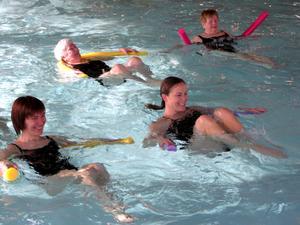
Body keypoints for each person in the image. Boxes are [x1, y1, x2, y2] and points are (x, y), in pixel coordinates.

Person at [0, 96, 134, 223]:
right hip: (50, 183)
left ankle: (116, 203)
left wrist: (115, 141)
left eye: (43, 115)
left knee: (98, 166)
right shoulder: (15, 148)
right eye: (35, 117)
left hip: (71, 175)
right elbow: (2, 158)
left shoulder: (51, 139)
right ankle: (115, 212)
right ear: (21, 120)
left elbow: (84, 142)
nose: (41, 122)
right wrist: (5, 165)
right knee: (84, 173)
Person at [143, 76, 286, 158]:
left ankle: (248, 140)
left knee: (221, 111)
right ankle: (250, 147)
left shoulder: (192, 109)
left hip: (219, 139)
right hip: (201, 149)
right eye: (178, 95)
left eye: (186, 93)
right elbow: (149, 139)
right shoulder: (163, 122)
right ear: (165, 97)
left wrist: (246, 111)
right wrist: (160, 139)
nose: (184, 98)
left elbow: (219, 112)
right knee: (203, 120)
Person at [54, 38, 161, 86]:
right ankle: (146, 84)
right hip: (105, 80)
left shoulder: (89, 58)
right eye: (71, 49)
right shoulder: (69, 68)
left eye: (75, 46)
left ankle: (151, 79)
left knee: (134, 60)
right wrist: (71, 76)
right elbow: (63, 80)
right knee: (118, 67)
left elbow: (110, 57)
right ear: (64, 57)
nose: (76, 49)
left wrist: (122, 51)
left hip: (115, 73)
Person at [191, 9, 276, 67]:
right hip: (216, 53)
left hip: (232, 51)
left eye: (216, 20)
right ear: (203, 24)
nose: (214, 23)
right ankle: (267, 66)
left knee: (252, 55)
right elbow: (189, 47)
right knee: (243, 56)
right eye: (210, 21)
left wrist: (250, 37)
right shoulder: (199, 38)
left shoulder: (224, 32)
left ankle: (272, 64)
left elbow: (236, 38)